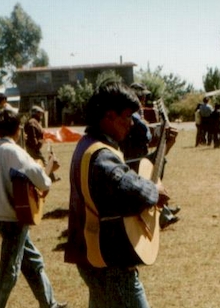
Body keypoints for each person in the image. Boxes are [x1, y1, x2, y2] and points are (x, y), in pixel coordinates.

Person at [65, 82, 169, 308]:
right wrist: (154, 191)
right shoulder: (101, 155)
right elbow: (125, 186)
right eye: (127, 116)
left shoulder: (88, 144)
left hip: (92, 254)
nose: (131, 123)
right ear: (109, 116)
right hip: (110, 260)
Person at [0, 109, 67, 308]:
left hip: (6, 215)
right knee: (9, 272)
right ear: (18, 129)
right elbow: (40, 179)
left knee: (33, 262)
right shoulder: (14, 152)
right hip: (14, 217)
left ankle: (49, 303)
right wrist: (49, 170)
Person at [119, 83, 179, 229]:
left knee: (161, 158)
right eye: (141, 97)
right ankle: (161, 212)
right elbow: (146, 135)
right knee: (159, 161)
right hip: (135, 162)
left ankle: (163, 208)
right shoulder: (135, 118)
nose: (143, 100)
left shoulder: (133, 115)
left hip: (135, 159)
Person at [24, 105, 60, 182]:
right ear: (36, 113)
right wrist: (36, 145)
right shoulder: (32, 123)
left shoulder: (35, 122)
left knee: (41, 163)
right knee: (44, 162)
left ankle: (50, 178)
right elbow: (32, 135)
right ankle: (50, 178)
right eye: (40, 114)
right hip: (33, 147)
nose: (41, 116)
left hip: (34, 147)